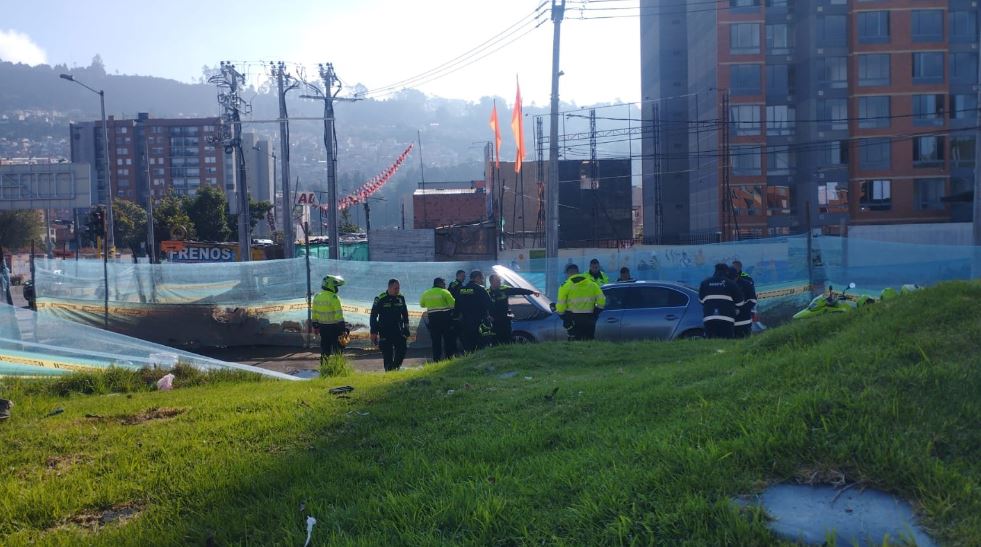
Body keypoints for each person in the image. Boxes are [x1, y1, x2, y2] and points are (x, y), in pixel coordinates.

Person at [556, 264, 606, 341]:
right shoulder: (592, 284)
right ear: (578, 272)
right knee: (589, 342)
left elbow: (560, 306)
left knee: (575, 343)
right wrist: (595, 313)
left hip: (573, 319)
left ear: (568, 273)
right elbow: (602, 300)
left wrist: (563, 317)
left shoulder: (565, 286)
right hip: (589, 318)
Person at [370, 278, 410, 371]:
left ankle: (395, 368)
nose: (397, 290)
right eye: (395, 288)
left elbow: (405, 313)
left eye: (398, 288)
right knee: (387, 354)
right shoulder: (380, 298)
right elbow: (373, 316)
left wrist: (406, 326)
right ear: (389, 287)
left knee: (402, 349)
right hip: (385, 331)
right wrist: (373, 332)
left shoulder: (401, 298)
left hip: (398, 330)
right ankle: (389, 372)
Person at [487, 273, 538, 345]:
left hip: (505, 319)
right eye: (497, 281)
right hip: (494, 321)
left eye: (499, 280)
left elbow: (518, 290)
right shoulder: (487, 292)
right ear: (491, 282)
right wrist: (487, 315)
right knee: (495, 340)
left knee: (507, 339)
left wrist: (532, 292)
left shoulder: (504, 289)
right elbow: (482, 306)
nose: (499, 282)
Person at [698, 263, 744, 339]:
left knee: (711, 343)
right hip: (727, 319)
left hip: (709, 318)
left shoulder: (704, 283)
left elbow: (701, 301)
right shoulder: (731, 284)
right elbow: (740, 303)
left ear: (715, 270)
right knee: (726, 344)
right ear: (727, 272)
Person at [453, 270, 493, 353]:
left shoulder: (461, 289)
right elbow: (489, 304)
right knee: (482, 346)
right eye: (482, 278)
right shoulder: (480, 289)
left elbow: (456, 306)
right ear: (477, 278)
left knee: (469, 347)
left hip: (465, 323)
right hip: (480, 322)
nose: (482, 281)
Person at [311, 275, 347, 364]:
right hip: (335, 329)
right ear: (331, 285)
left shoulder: (317, 296)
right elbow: (338, 315)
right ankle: (338, 369)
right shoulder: (334, 298)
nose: (336, 288)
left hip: (323, 329)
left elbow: (314, 313)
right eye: (336, 286)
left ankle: (324, 368)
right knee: (338, 351)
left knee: (325, 350)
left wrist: (315, 326)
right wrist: (343, 330)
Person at [419, 277, 456, 362]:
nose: (445, 285)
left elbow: (422, 305)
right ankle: (449, 358)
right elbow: (453, 304)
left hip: (433, 320)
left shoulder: (426, 293)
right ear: (439, 284)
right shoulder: (445, 292)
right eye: (444, 283)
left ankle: (436, 360)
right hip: (445, 320)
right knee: (448, 340)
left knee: (436, 341)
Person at [731, 260, 757, 338]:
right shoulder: (728, 277)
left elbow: (751, 298)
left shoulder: (746, 278)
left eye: (733, 267)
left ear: (739, 268)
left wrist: (743, 309)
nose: (731, 269)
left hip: (744, 315)